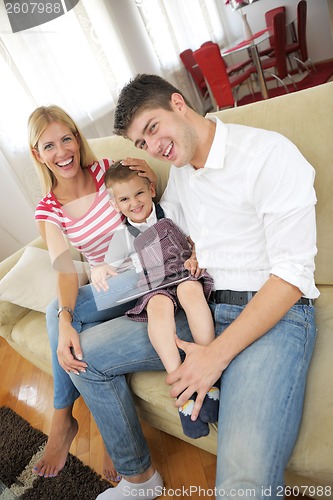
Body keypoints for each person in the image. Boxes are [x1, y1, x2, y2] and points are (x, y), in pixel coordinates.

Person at [67, 74, 318, 500]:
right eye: (141, 143)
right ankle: (140, 478)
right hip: (198, 303)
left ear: (178, 104)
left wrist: (214, 357)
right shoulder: (181, 173)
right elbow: (165, 229)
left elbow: (292, 276)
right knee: (83, 356)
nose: (153, 146)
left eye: (152, 128)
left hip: (271, 315)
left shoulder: (267, 153)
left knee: (242, 489)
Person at [28, 105, 156, 481]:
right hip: (109, 289)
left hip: (146, 274)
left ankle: (63, 419)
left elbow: (148, 204)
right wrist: (67, 319)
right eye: (49, 145)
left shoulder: (108, 172)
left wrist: (150, 176)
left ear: (77, 138)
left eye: (66, 138)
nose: (62, 152)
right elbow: (66, 272)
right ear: (38, 154)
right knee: (60, 314)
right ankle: (83, 425)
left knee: (58, 314)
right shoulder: (48, 209)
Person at [91, 162, 219, 439]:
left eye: (139, 194)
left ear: (151, 189)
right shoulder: (122, 235)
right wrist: (98, 269)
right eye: (124, 199)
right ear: (115, 205)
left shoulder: (170, 212)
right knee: (157, 307)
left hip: (183, 274)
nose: (134, 203)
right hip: (154, 286)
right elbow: (108, 265)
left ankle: (209, 369)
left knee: (190, 292)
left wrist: (196, 256)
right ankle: (180, 382)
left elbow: (196, 237)